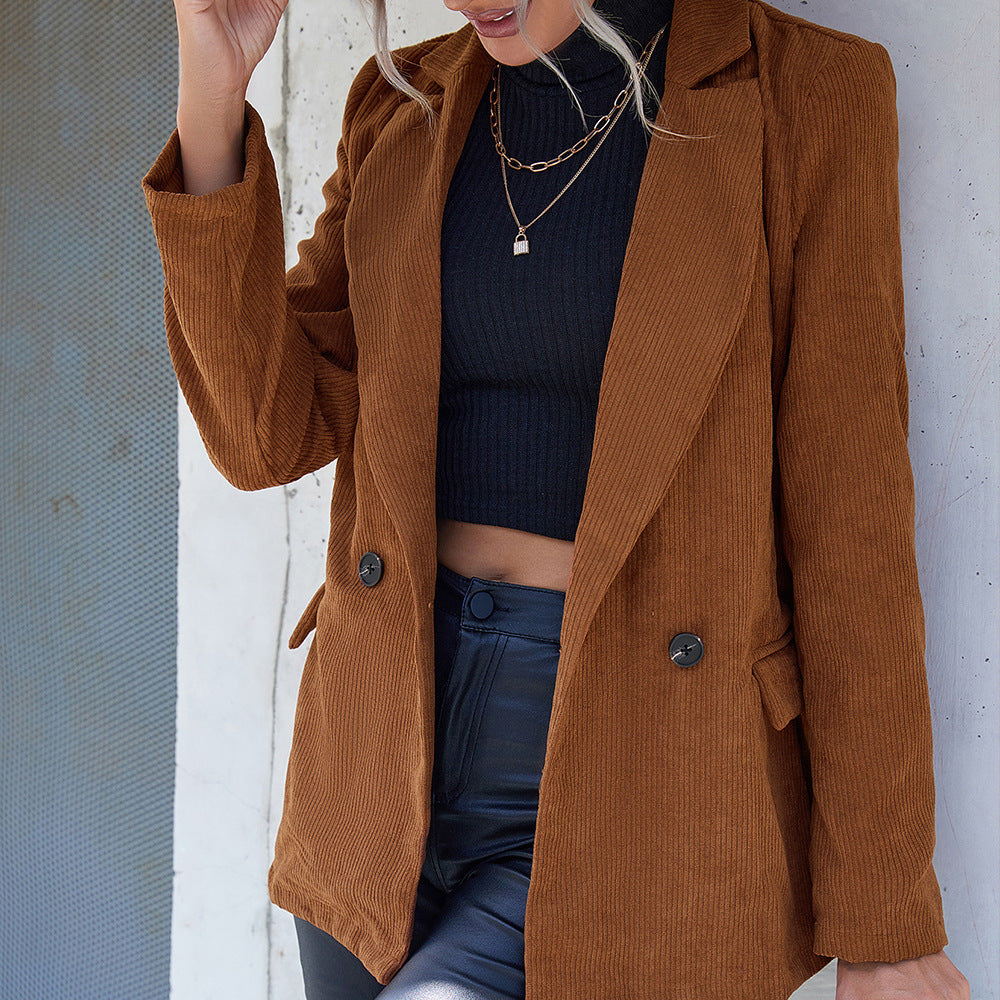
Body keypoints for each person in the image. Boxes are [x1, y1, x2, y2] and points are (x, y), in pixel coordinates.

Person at [142, 0, 972, 997]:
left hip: (626, 767)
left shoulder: (807, 97)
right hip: (375, 769)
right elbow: (262, 436)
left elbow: (852, 532)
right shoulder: (402, 104)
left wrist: (885, 925)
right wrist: (213, 94)